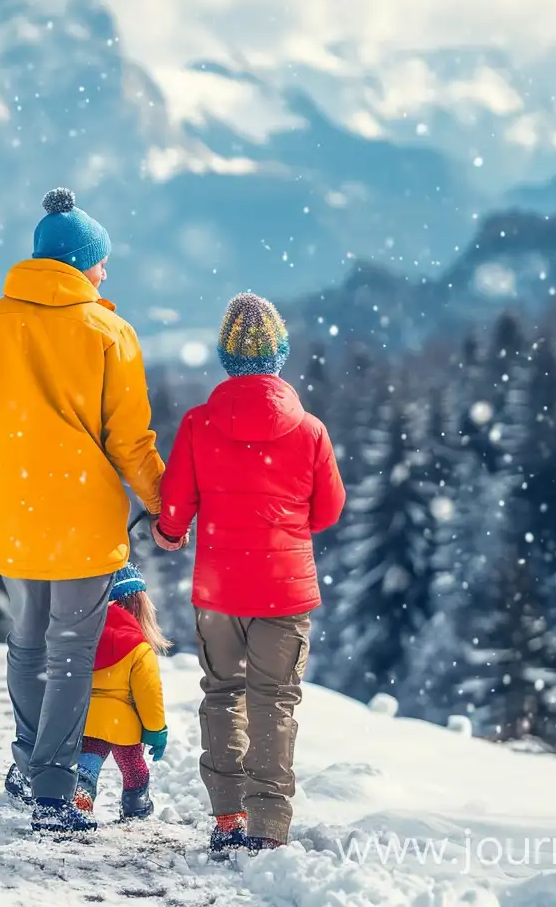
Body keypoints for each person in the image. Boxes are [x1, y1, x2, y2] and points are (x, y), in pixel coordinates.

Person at [0, 187, 164, 835]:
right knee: (72, 652)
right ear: (78, 263)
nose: (105, 273)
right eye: (100, 262)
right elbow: (131, 442)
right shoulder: (109, 333)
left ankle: (26, 764)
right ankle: (51, 789)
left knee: (26, 641)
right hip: (85, 525)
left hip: (14, 519)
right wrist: (165, 506)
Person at [154, 292, 346, 856]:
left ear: (225, 356)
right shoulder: (309, 429)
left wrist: (169, 531)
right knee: (274, 701)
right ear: (280, 355)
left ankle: (228, 815)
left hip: (218, 590)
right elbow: (329, 511)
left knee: (222, 694)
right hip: (284, 590)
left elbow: (175, 505)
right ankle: (269, 823)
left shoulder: (197, 423)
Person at [75, 562, 170, 822]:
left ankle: (81, 796)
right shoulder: (138, 648)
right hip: (125, 725)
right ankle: (136, 804)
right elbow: (149, 693)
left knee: (88, 760)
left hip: (83, 718)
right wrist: (156, 730)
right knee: (133, 766)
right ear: (140, 605)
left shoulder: (77, 637)